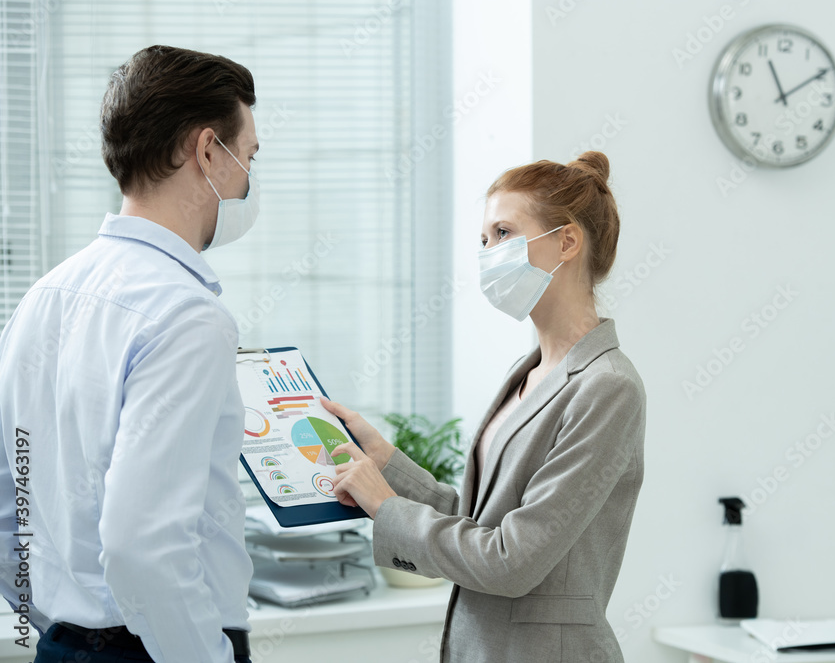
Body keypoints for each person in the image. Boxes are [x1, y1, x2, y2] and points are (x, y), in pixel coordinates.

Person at [322, 151, 646, 662]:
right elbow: (481, 525)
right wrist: (387, 465)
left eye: (503, 233)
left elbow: (510, 560)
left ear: (566, 241)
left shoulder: (608, 387)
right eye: (483, 240)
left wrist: (387, 507)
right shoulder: (529, 372)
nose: (488, 252)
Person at [0, 45, 260, 663]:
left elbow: (10, 505)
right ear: (206, 151)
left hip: (64, 645)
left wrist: (63, 630)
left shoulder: (44, 296)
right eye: (248, 156)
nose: (250, 179)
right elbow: (142, 547)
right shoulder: (187, 314)